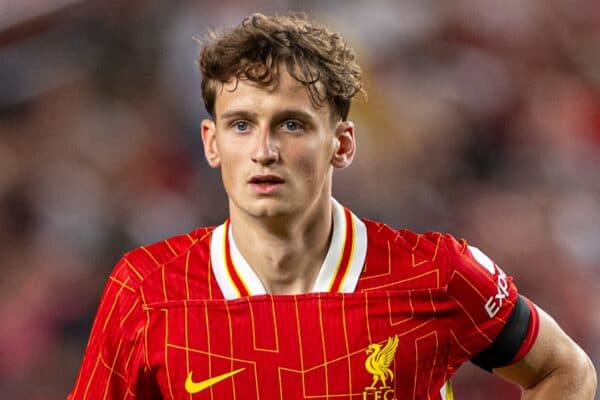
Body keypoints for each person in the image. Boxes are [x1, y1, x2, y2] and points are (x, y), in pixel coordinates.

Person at [68, 12, 596, 400]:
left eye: (292, 124)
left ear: (341, 143)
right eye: (241, 124)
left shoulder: (437, 272)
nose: (265, 150)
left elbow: (566, 372)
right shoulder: (144, 290)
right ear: (210, 142)